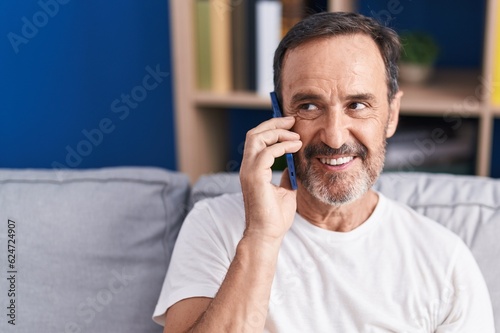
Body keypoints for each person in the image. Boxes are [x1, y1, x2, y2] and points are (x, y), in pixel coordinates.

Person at [153, 11, 495, 332]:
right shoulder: (214, 225)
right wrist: (262, 238)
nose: (334, 136)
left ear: (391, 115)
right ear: (278, 115)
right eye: (310, 106)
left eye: (357, 105)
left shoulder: (445, 261)